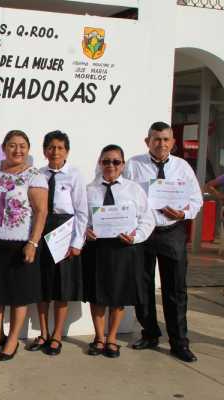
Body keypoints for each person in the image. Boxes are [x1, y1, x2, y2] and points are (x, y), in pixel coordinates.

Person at [124, 122, 203, 362]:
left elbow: (196, 200)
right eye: (156, 139)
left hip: (172, 232)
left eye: (166, 139)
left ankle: (179, 342)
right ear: (147, 141)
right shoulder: (133, 165)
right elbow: (123, 195)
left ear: (173, 143)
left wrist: (184, 213)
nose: (161, 144)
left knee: (175, 289)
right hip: (144, 232)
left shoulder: (183, 167)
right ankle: (150, 334)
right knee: (142, 286)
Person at [0, 130, 48, 361]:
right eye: (13, 145)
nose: (18, 150)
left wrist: (33, 243)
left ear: (28, 149)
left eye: (23, 146)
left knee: (19, 294)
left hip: (20, 245)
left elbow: (41, 211)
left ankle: (13, 339)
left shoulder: (34, 176)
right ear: (4, 147)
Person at [83, 144, 155, 358]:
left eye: (116, 162)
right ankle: (98, 337)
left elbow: (147, 219)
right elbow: (81, 218)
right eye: (106, 161)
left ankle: (112, 338)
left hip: (124, 249)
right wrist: (85, 231)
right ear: (100, 163)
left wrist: (135, 237)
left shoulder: (133, 189)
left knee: (118, 296)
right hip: (97, 249)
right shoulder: (89, 190)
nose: (111, 166)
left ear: (123, 165)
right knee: (97, 295)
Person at [29, 131, 87, 356]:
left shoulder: (74, 175)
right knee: (42, 285)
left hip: (64, 231)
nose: (55, 152)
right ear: (44, 151)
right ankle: (43, 332)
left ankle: (57, 335)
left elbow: (82, 211)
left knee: (61, 287)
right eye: (51, 147)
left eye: (60, 148)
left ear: (67, 151)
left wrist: (77, 243)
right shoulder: (37, 175)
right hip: (42, 230)